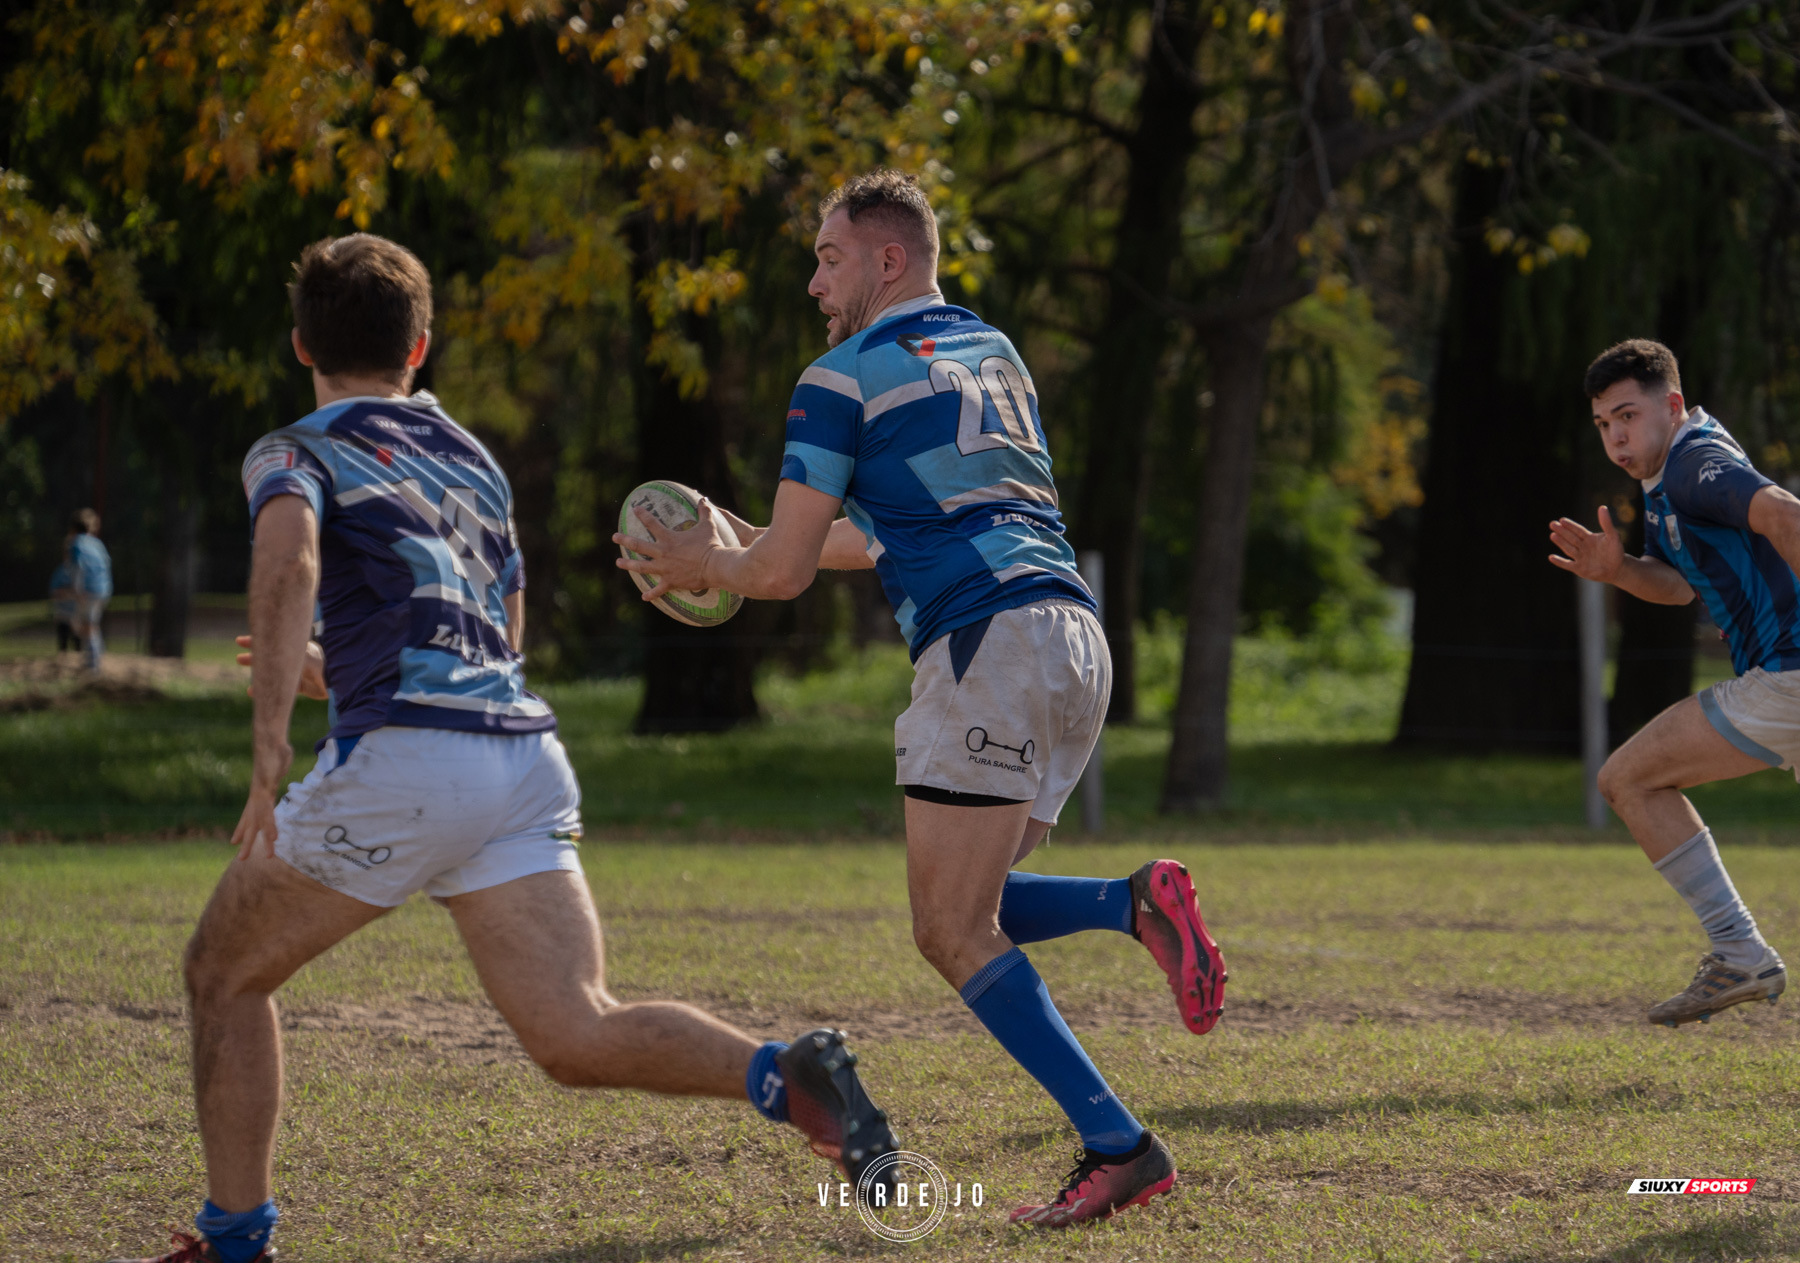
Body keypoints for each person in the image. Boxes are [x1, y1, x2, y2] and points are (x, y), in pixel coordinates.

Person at [110, 234, 899, 1263]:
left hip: (408, 761)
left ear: (301, 345)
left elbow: (291, 557)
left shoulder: (292, 449)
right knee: (575, 1031)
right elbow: (496, 621)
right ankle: (785, 1075)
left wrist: (270, 753)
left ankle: (234, 1238)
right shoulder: (470, 459)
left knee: (222, 973)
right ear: (421, 346)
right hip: (518, 757)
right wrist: (340, 672)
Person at [614, 170, 1227, 1227]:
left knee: (949, 928)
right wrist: (740, 549)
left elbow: (787, 572)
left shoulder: (840, 377)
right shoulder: (992, 354)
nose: (814, 282)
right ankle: (1129, 904)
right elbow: (884, 532)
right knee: (975, 901)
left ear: (888, 258)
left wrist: (711, 564)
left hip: (985, 640)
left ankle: (1120, 1146)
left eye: (829, 256)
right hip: (1070, 636)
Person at [1549, 338, 1790, 1027]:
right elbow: (1681, 585)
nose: (1616, 436)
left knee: (1630, 779)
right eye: (1603, 425)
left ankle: (1739, 948)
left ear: (1672, 405)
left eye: (1627, 415)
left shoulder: (1694, 466)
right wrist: (1619, 569)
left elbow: (1786, 515)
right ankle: (1740, 950)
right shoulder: (1670, 474)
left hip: (1788, 679)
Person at [69, 507, 112, 669]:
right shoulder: (97, 543)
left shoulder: (76, 544)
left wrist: (77, 590)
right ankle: (96, 656)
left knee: (84, 625)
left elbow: (77, 568)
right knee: (91, 624)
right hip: (103, 588)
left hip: (87, 590)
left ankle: (93, 664)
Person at [49, 528, 79, 654]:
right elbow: (54, 592)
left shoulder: (80, 570)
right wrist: (70, 593)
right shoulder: (61, 571)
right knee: (63, 643)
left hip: (77, 613)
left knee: (79, 643)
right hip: (63, 613)